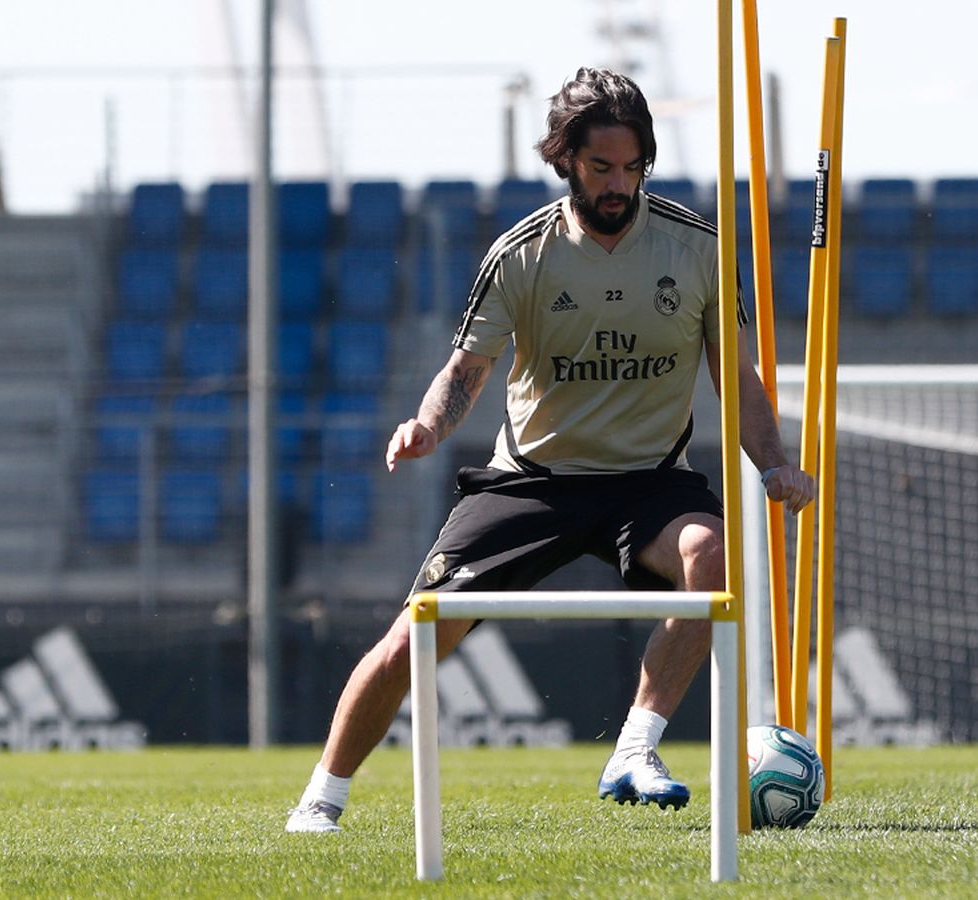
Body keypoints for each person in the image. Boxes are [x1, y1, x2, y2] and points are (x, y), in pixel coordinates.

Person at [286, 67, 815, 834]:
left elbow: (738, 380)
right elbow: (464, 372)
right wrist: (429, 425)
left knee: (713, 557)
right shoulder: (521, 256)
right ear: (564, 159)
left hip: (650, 482)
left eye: (632, 168)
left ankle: (635, 750)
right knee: (413, 636)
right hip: (531, 482)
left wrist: (773, 465)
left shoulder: (698, 250)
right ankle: (321, 798)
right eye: (601, 167)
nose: (617, 184)